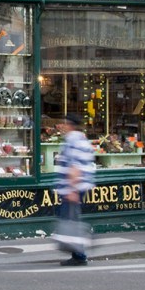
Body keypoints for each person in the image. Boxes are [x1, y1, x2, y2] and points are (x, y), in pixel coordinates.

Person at [54, 113, 96, 266]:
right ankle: (78, 253)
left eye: (64, 123)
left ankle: (79, 254)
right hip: (79, 185)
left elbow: (74, 167)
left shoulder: (72, 140)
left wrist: (72, 189)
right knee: (70, 218)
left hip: (73, 187)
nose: (63, 126)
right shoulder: (83, 140)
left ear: (70, 125)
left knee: (70, 220)